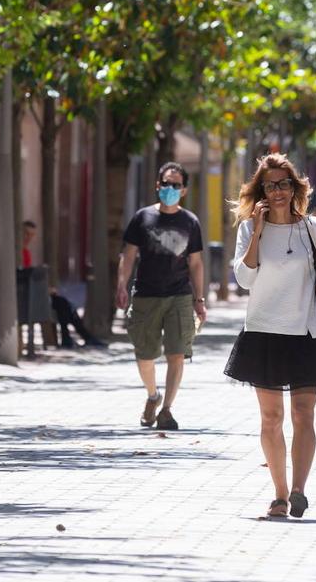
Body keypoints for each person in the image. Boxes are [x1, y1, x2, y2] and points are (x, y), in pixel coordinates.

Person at [223, 154, 316, 519]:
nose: (278, 192)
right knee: (271, 419)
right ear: (260, 192)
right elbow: (244, 280)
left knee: (303, 414)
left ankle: (298, 491)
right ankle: (278, 494)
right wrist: (258, 231)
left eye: (284, 184)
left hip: (305, 333)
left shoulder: (312, 228)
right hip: (263, 332)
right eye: (270, 185)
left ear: (295, 188)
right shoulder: (248, 230)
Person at [116, 162, 207, 431]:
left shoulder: (190, 222)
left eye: (175, 185)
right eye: (165, 184)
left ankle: (166, 410)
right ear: (158, 185)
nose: (170, 189)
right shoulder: (142, 218)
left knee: (176, 354)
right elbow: (128, 255)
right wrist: (121, 285)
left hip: (179, 295)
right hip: (145, 294)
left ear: (184, 190)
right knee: (145, 355)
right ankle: (153, 395)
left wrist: (199, 300)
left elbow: (196, 264)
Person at [21, 220, 105, 348]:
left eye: (32, 235)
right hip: (28, 296)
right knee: (63, 305)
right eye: (26, 233)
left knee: (65, 304)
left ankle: (75, 338)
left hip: (34, 293)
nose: (29, 238)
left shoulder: (26, 252)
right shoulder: (18, 253)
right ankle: (75, 337)